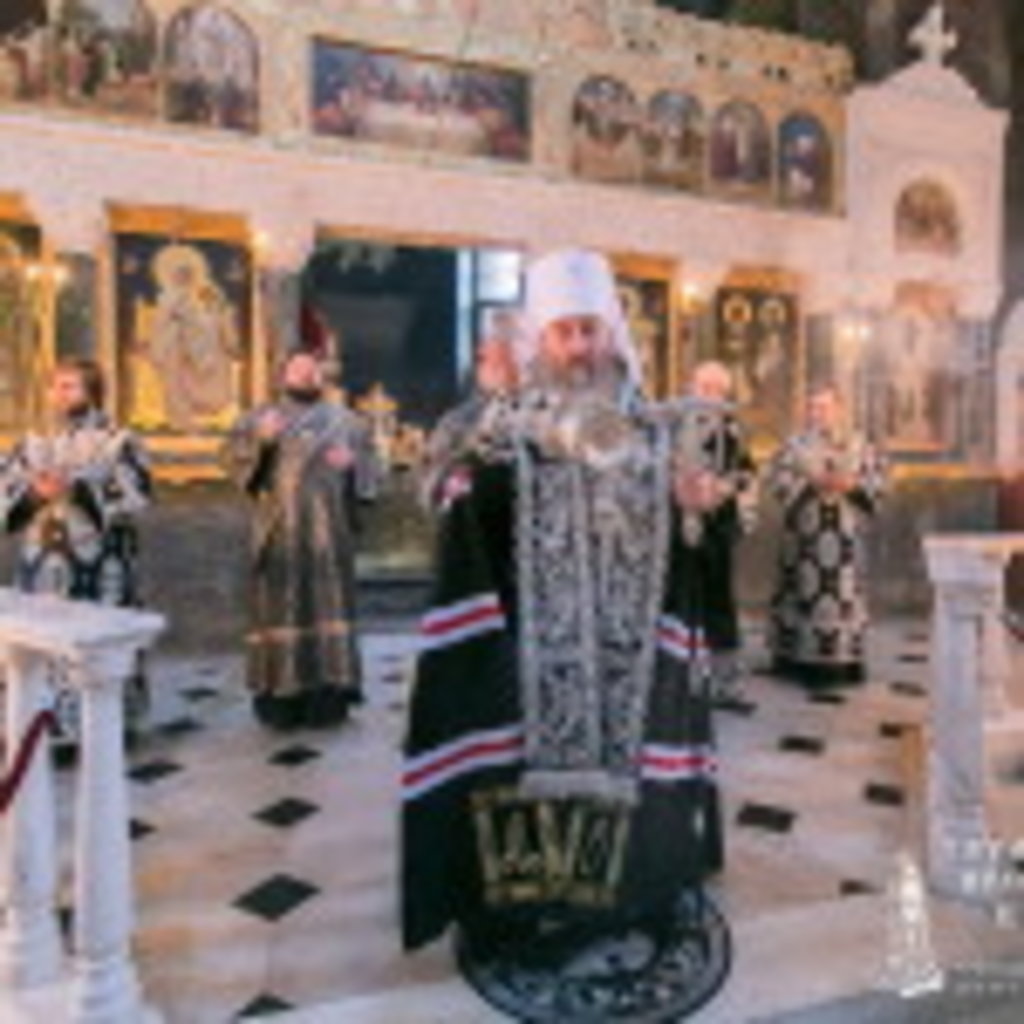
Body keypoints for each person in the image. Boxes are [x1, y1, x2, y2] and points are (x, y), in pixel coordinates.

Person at [402, 249, 722, 965]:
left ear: (611, 333)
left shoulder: (652, 427)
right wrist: (467, 487)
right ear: (541, 340)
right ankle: (538, 900)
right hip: (533, 651)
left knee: (634, 767)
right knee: (523, 769)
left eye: (590, 330)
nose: (580, 347)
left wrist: (694, 506)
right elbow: (453, 498)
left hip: (630, 650)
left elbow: (690, 528)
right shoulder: (502, 425)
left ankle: (633, 890)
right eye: (565, 332)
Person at [0, 358, 152, 747]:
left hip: (100, 565)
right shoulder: (32, 442)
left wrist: (79, 488)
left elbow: (137, 493)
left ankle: (105, 730)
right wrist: (33, 494)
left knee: (96, 644)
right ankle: (47, 731)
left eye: (70, 386)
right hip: (42, 563)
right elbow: (6, 488)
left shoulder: (118, 440)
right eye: (56, 386)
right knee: (46, 643)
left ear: (92, 391)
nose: (60, 393)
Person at [225, 350, 373, 731]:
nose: (306, 375)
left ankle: (330, 698)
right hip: (280, 533)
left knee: (328, 609)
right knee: (280, 611)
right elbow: (236, 467)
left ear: (321, 376)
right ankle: (280, 701)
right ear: (282, 375)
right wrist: (264, 443)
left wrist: (354, 466)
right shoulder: (257, 419)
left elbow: (372, 470)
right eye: (298, 368)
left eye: (312, 369)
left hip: (329, 535)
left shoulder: (347, 422)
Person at [767, 385, 886, 686]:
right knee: (801, 594)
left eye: (825, 407)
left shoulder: (860, 443)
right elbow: (777, 480)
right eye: (813, 407)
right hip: (805, 540)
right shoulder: (794, 445)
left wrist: (852, 486)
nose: (818, 413)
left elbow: (878, 482)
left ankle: (844, 660)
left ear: (839, 409)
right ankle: (798, 658)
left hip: (845, 541)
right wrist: (809, 483)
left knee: (846, 597)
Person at [679, 360, 757, 701]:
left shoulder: (733, 432)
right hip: (678, 526)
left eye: (717, 390)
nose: (709, 396)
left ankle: (722, 680)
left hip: (715, 528)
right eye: (703, 387)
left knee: (717, 601)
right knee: (678, 600)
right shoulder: (672, 427)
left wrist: (720, 489)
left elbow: (747, 476)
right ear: (690, 387)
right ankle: (677, 672)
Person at [419, 334, 519, 510]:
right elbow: (431, 488)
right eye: (484, 360)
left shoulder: (544, 415)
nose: (495, 368)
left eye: (504, 360)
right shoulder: (456, 422)